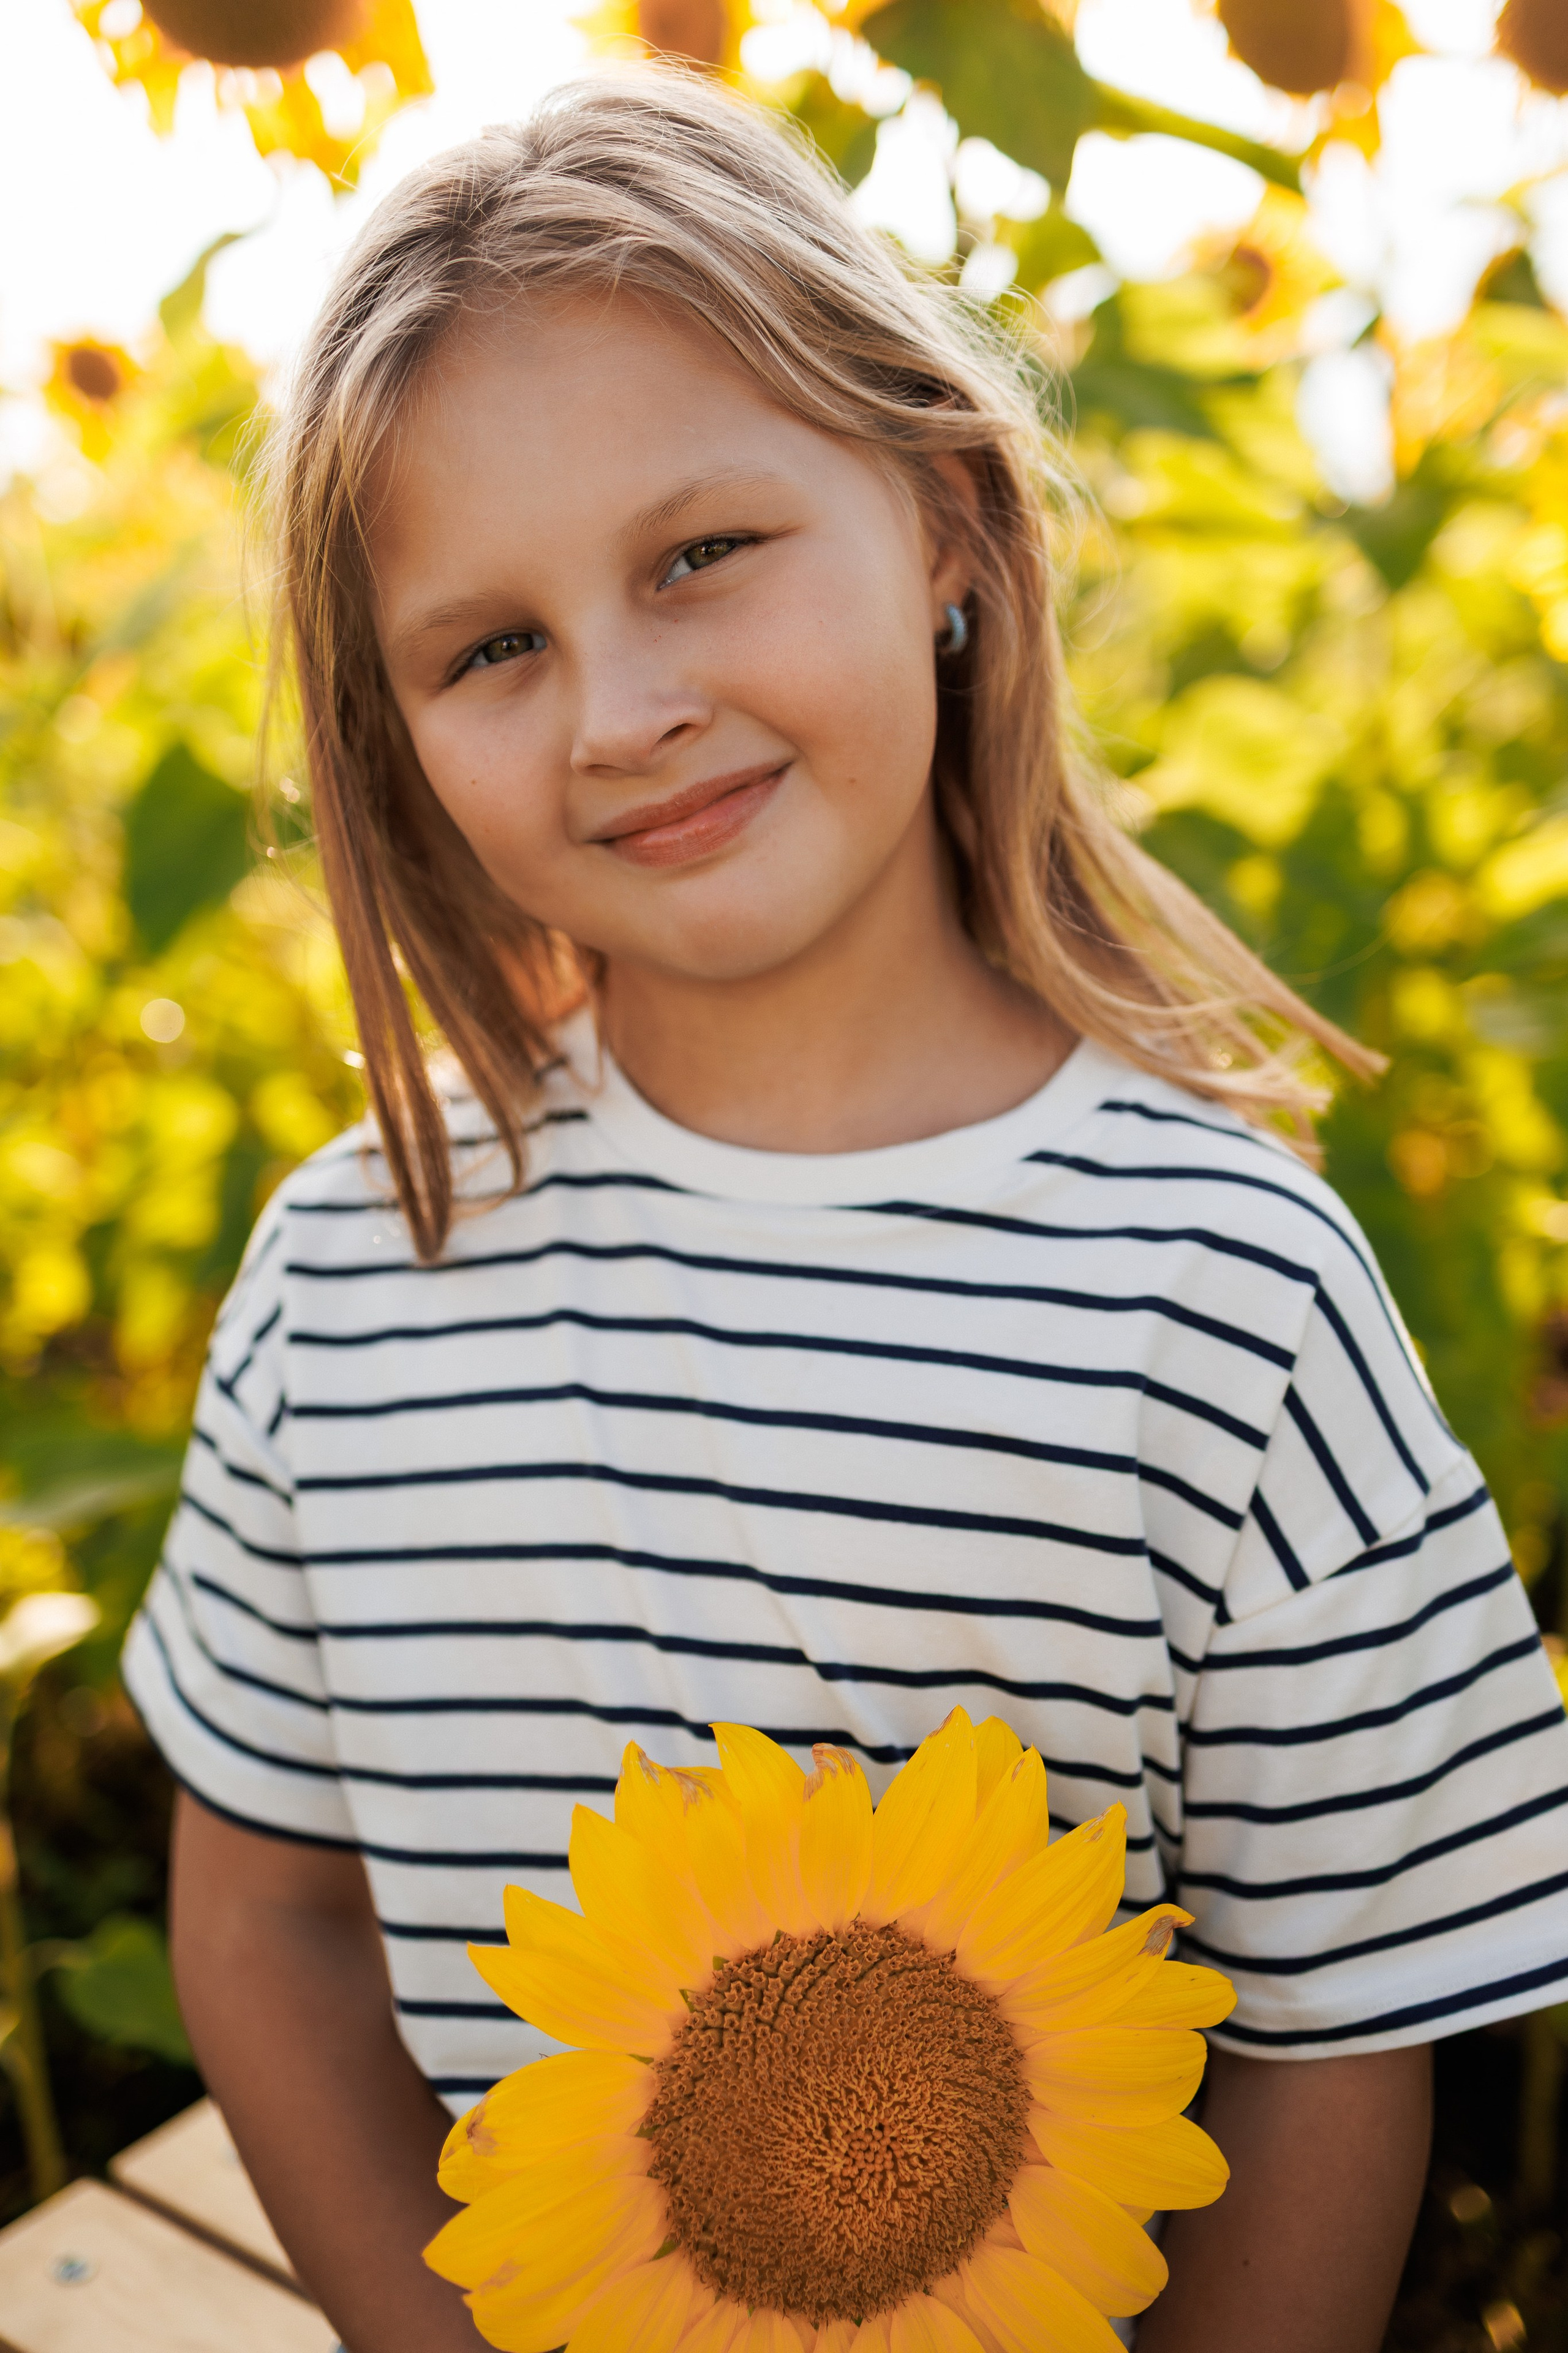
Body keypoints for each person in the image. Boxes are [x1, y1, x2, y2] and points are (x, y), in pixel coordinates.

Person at [123, 69, 1568, 2353]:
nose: (621, 707)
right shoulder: (348, 1279)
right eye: (487, 646)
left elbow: (1337, 2037)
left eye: (701, 553)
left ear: (950, 527)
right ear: (394, 738)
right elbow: (264, 1913)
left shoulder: (1224, 1298)